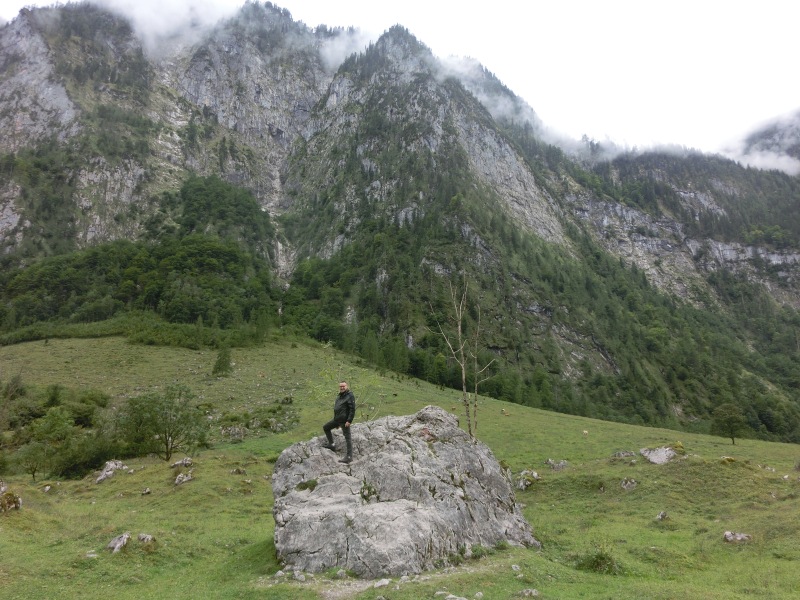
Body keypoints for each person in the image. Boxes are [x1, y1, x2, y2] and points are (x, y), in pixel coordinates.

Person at [322, 381, 356, 463]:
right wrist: (336, 422)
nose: (342, 388)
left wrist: (349, 420)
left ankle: (349, 457)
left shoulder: (350, 395)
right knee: (326, 427)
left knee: (347, 438)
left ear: (347, 386)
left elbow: (352, 409)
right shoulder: (339, 396)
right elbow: (336, 409)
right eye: (340, 386)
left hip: (344, 421)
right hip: (337, 420)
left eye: (343, 386)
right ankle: (331, 444)